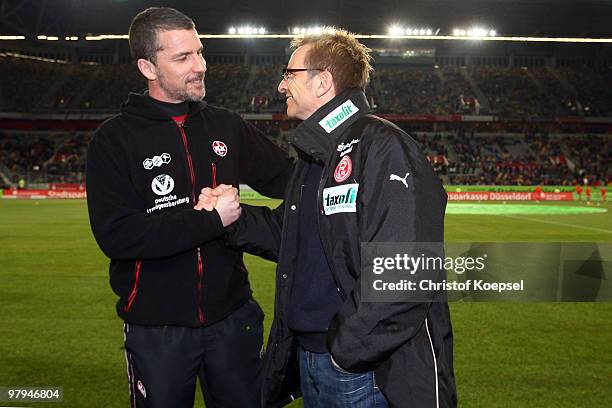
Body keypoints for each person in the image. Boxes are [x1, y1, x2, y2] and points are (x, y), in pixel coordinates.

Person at [199, 28, 456, 407]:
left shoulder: (382, 145)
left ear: (322, 82)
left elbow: (405, 270)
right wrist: (230, 216)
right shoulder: (316, 154)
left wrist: (346, 351)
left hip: (362, 369)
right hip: (316, 359)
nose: (280, 85)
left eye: (289, 74)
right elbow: (291, 236)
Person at [86, 7, 292, 408]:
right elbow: (118, 235)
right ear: (148, 66)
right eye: (183, 58)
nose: (200, 66)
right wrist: (211, 220)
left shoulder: (226, 124)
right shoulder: (113, 140)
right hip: (156, 327)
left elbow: (291, 180)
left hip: (233, 317)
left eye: (199, 53)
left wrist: (346, 158)